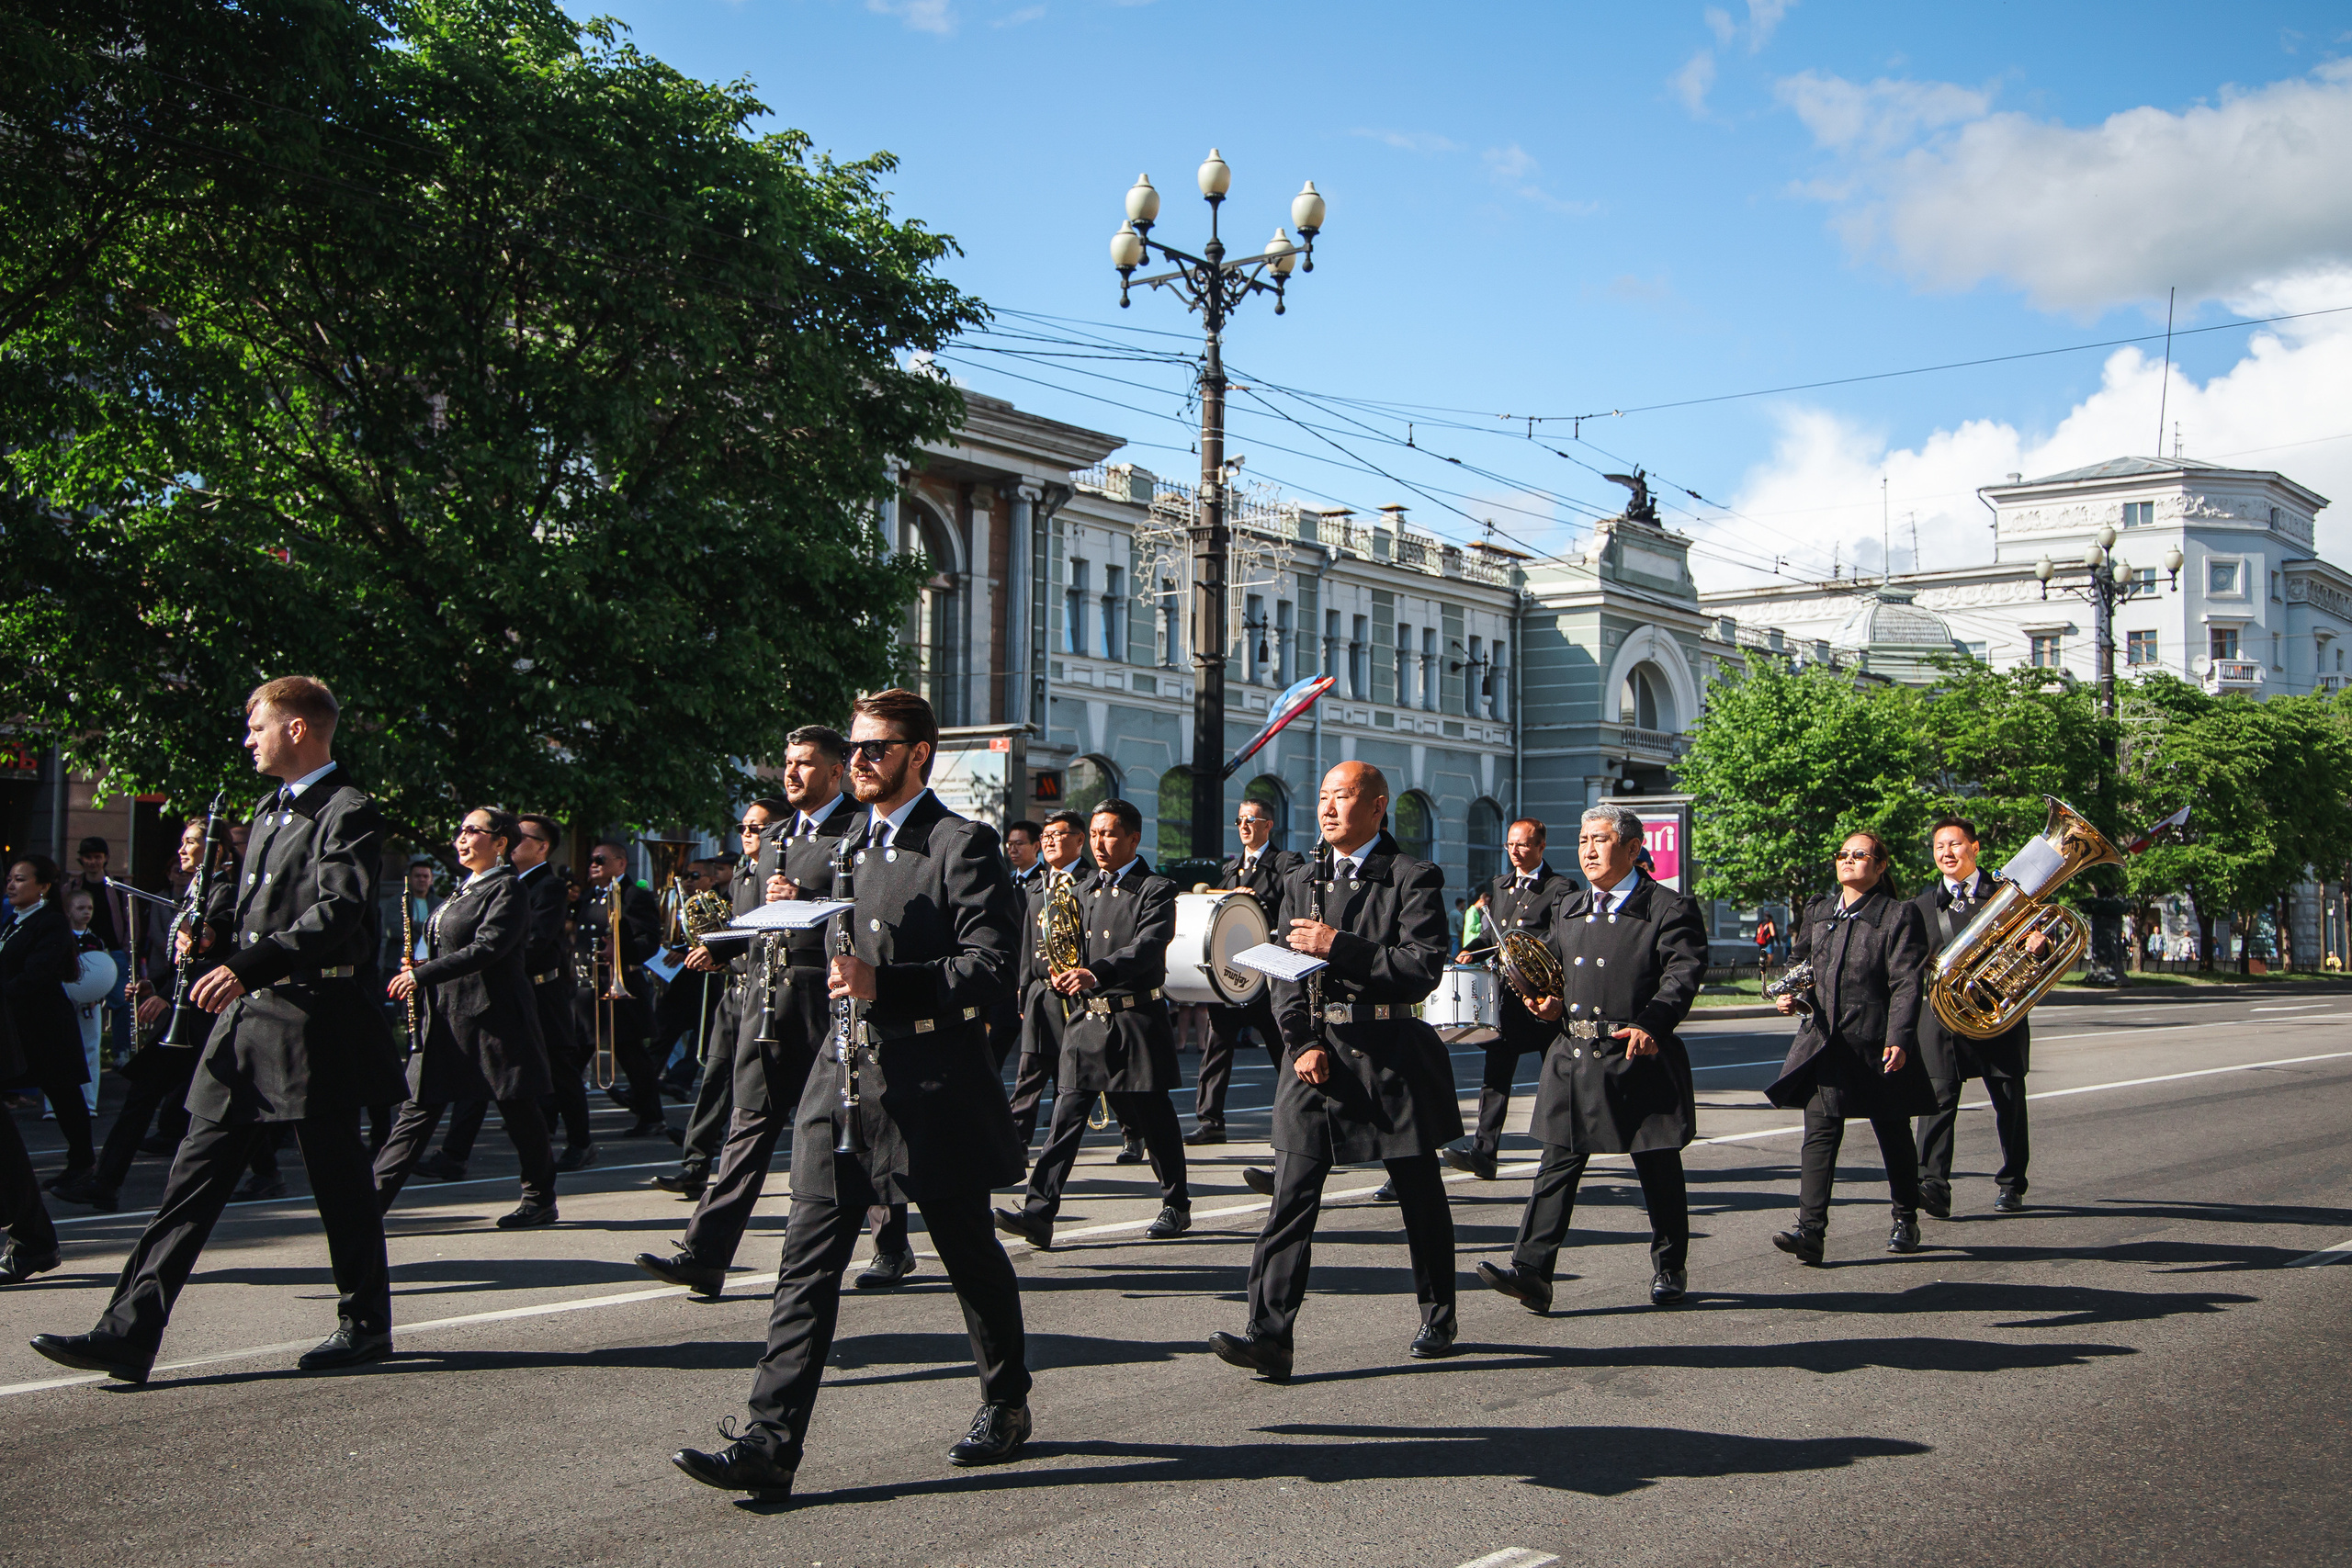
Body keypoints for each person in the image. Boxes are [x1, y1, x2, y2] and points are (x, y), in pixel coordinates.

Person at [673, 690, 1032, 1502]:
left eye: (877, 748)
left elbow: (987, 968)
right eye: (857, 748)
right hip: (839, 1081)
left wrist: (888, 985)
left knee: (969, 1253)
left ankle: (1006, 1400)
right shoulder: (840, 850)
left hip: (928, 1084)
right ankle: (769, 1441)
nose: (861, 760)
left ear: (919, 755)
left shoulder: (959, 844)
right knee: (804, 1264)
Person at [33, 675, 411, 1382]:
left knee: (341, 1184)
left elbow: (338, 912)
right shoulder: (269, 811)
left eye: (257, 725)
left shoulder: (348, 810)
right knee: (190, 1182)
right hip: (246, 1025)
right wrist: (208, 935)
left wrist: (248, 964)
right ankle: (128, 1332)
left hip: (314, 1023)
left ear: (297, 729)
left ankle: (365, 1324)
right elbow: (246, 907)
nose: (248, 739)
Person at [1207, 761, 1461, 1381]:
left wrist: (1337, 945)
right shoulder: (1302, 877)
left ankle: (1439, 1311)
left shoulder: (1411, 876)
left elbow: (1421, 966)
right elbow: (1280, 973)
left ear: (1377, 806)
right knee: (1291, 1195)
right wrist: (1299, 1043)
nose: (1327, 808)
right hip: (1317, 1052)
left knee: (1418, 1192)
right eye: (1322, 797)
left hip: (1390, 1050)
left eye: (1341, 797)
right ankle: (1268, 1333)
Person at [636, 732, 880, 1296]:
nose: (792, 774)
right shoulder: (773, 836)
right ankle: (706, 1253)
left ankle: (890, 1244)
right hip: (766, 1004)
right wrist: (715, 944)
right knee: (747, 1129)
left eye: (806, 765)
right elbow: (751, 919)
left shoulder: (860, 830)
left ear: (837, 771)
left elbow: (872, 914)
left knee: (851, 1129)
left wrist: (804, 900)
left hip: (827, 1000)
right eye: (788, 764)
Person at [1477, 804, 1707, 1314]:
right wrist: (1545, 1001)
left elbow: (1682, 975)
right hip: (1575, 1052)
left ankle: (1671, 1265)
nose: (1587, 850)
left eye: (1599, 840)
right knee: (1557, 1161)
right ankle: (1533, 1270)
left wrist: (1652, 1022)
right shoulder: (1570, 906)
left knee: (1657, 1162)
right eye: (1582, 840)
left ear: (1631, 847)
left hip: (1636, 1053)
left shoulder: (1667, 907)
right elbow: (1554, 968)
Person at [995, 798, 1191, 1248]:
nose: (1101, 844)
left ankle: (1176, 1204)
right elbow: (1060, 942)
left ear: (1133, 839)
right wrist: (1059, 974)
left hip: (1137, 1017)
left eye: (1110, 834)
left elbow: (1148, 946)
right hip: (1088, 1019)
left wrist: (1095, 972)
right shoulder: (1081, 890)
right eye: (1097, 834)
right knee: (1065, 1116)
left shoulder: (1155, 888)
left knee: (1155, 1117)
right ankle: (1039, 1212)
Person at [56, 819, 274, 1213]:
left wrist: (172, 1000)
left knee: (155, 1096)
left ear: (216, 850)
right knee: (226, 1094)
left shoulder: (222, 892)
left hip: (200, 1014)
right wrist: (153, 985)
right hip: (190, 1011)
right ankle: (267, 1170)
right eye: (183, 841)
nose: (181, 849)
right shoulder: (195, 891)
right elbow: (180, 960)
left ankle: (106, 1183)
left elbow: (214, 953)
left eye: (191, 842)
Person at [375, 807, 558, 1228]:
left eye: (474, 831)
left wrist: (421, 973)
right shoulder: (462, 889)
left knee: (518, 1108)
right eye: (461, 830)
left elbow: (487, 948)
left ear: (500, 844)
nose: (462, 837)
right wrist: (418, 965)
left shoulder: (508, 889)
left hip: (495, 1018)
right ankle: (369, 1205)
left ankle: (539, 1197)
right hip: (445, 1016)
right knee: (416, 1109)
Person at [1765, 829, 1935, 1264]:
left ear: (1880, 867)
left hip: (1875, 1041)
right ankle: (1811, 1232)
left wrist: (1899, 1038)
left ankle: (1905, 1218)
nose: (1848, 860)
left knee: (1892, 1132)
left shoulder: (1898, 915)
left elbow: (1906, 984)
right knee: (1819, 1134)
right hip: (1824, 1043)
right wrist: (1793, 995)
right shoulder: (1821, 911)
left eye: (1860, 855)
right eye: (1843, 854)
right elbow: (1800, 962)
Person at [653, 800, 783, 1200]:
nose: (747, 835)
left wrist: (721, 950)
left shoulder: (779, 874)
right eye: (743, 827)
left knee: (764, 1098)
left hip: (769, 996)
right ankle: (694, 1167)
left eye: (756, 828)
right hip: (736, 992)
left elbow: (766, 931)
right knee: (713, 1079)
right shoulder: (742, 875)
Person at [1912, 817, 2033, 1217]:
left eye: (1955, 845)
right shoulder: (1920, 907)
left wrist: (2038, 943)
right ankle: (1932, 1186)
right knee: (1936, 1103)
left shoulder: (2008, 895)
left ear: (1975, 848)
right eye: (1939, 847)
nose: (1946, 853)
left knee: (2009, 1102)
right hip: (1943, 1021)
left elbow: (2036, 954)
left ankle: (2013, 1182)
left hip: (1997, 1017)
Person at [1450, 817, 1577, 1180]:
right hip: (1506, 998)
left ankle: (1565, 1149)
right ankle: (1484, 1154)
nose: (1515, 852)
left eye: (1523, 845)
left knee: (1556, 1076)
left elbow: (1559, 937)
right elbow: (1497, 933)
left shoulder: (1559, 887)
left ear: (1541, 846)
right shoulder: (1500, 885)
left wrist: (1528, 962)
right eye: (1510, 845)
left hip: (1542, 999)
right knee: (1495, 1076)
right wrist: (1472, 950)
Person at [1190, 797, 1301, 1145]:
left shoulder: (1285, 863)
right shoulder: (1229, 868)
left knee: (1283, 1050)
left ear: (1268, 825)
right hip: (1233, 972)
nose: (1243, 826)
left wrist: (1257, 901)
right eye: (1239, 820)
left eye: (1250, 819)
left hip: (1267, 972)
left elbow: (1293, 908)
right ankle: (1210, 1121)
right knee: (1216, 1047)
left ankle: (1302, 1116)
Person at [2, 856, 95, 1189]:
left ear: (43, 887)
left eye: (20, 879)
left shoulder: (50, 922)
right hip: (16, 1025)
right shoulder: (15, 922)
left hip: (46, 1025)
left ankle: (83, 1165)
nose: (11, 885)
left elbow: (35, 975)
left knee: (65, 1095)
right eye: (11, 879)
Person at [577, 840, 673, 1141]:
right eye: (591, 859)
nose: (594, 864)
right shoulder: (591, 896)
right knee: (574, 1052)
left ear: (620, 863)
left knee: (632, 1055)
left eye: (600, 859)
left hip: (622, 986)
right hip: (591, 987)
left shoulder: (634, 894)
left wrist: (619, 951)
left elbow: (649, 941)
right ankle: (550, 1116)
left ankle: (651, 1116)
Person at [1004, 810, 1087, 1146]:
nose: (1050, 840)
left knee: (1083, 1074)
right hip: (1041, 990)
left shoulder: (1087, 883)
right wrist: (1024, 990)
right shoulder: (1039, 885)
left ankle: (1132, 1130)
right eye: (1047, 835)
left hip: (1075, 990)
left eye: (1058, 834)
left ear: (1079, 840)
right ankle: (1017, 1143)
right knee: (1030, 1069)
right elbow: (1027, 942)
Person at [71, 838, 132, 1068]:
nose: (93, 862)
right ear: (81, 859)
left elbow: (129, 919)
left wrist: (126, 948)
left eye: (98, 857)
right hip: (80, 951)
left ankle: (121, 1051)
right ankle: (79, 1052)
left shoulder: (116, 886)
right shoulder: (73, 887)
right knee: (80, 1001)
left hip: (113, 951)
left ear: (105, 859)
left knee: (120, 1001)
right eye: (88, 857)